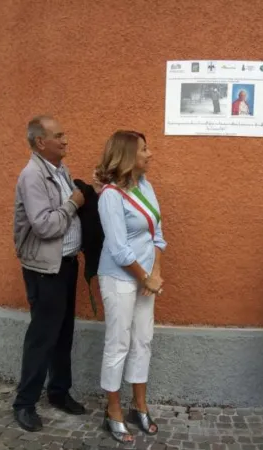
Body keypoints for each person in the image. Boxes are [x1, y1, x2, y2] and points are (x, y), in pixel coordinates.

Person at [12, 115, 87, 432]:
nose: (66, 139)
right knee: (42, 338)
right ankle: (24, 403)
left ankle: (58, 392)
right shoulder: (33, 176)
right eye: (59, 135)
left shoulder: (59, 170)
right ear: (40, 142)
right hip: (45, 271)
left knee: (63, 334)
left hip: (65, 265)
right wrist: (73, 203)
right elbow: (44, 225)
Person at [95, 130, 166, 443]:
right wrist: (144, 276)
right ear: (126, 156)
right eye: (143, 150)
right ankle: (113, 410)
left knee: (143, 341)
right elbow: (118, 248)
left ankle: (139, 406)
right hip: (119, 279)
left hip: (146, 279)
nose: (150, 155)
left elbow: (158, 235)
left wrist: (156, 273)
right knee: (118, 343)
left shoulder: (146, 186)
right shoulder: (110, 195)